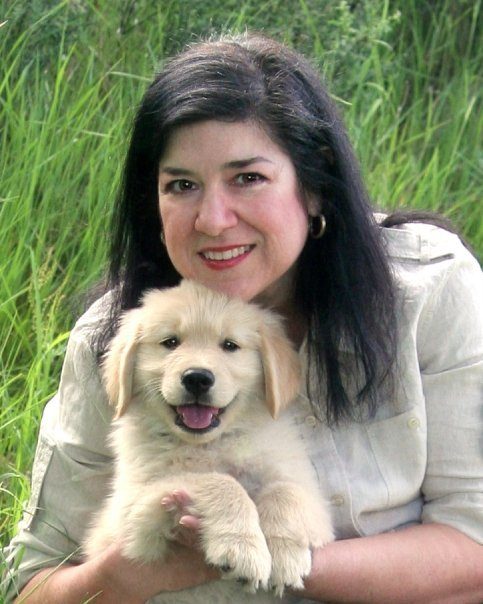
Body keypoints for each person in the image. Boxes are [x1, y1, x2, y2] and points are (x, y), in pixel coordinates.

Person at [3, 32, 483, 604]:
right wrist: (128, 573)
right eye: (182, 185)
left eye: (248, 178)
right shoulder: (116, 335)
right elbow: (33, 585)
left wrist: (287, 561)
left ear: (314, 186)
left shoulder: (429, 290)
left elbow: (474, 545)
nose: (212, 219)